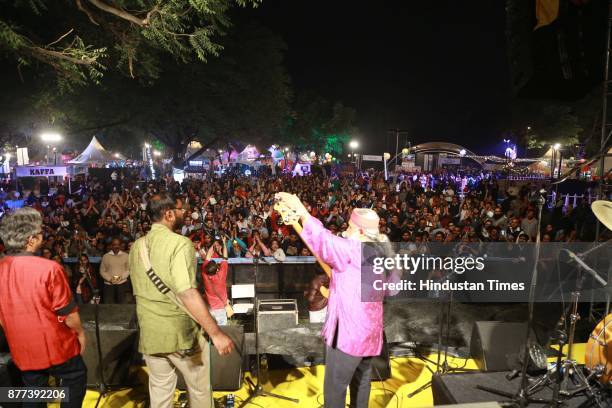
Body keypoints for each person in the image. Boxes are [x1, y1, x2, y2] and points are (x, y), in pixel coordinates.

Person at [275, 192, 397, 408]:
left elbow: (323, 240)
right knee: (362, 384)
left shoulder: (351, 249)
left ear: (360, 231)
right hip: (371, 335)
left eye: (349, 227)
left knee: (335, 389)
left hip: (348, 335)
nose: (345, 230)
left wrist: (302, 211)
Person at [129, 194, 234, 408]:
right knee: (198, 391)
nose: (183, 213)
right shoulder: (180, 243)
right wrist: (216, 333)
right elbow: (186, 292)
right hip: (181, 335)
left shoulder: (136, 246)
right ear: (168, 214)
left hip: (150, 334)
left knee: (160, 393)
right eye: (179, 210)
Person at [0, 208, 87, 408]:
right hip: (56, 345)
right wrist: (81, 334)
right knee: (75, 379)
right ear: (30, 240)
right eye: (40, 233)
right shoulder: (49, 268)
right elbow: (68, 314)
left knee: (33, 388)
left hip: (21, 346)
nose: (43, 236)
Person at [201, 237, 230, 325]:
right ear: (217, 269)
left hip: (209, 308)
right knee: (222, 331)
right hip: (220, 308)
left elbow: (208, 256)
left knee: (211, 333)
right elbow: (225, 258)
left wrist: (214, 243)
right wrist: (224, 243)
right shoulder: (220, 276)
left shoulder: (204, 273)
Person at [100, 238, 130, 303]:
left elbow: (128, 270)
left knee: (122, 305)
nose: (116, 246)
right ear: (111, 245)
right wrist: (110, 279)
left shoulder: (126, 256)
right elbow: (102, 271)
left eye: (118, 244)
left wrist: (120, 278)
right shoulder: (106, 256)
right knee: (108, 306)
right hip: (108, 284)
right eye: (114, 244)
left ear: (120, 245)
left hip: (122, 283)